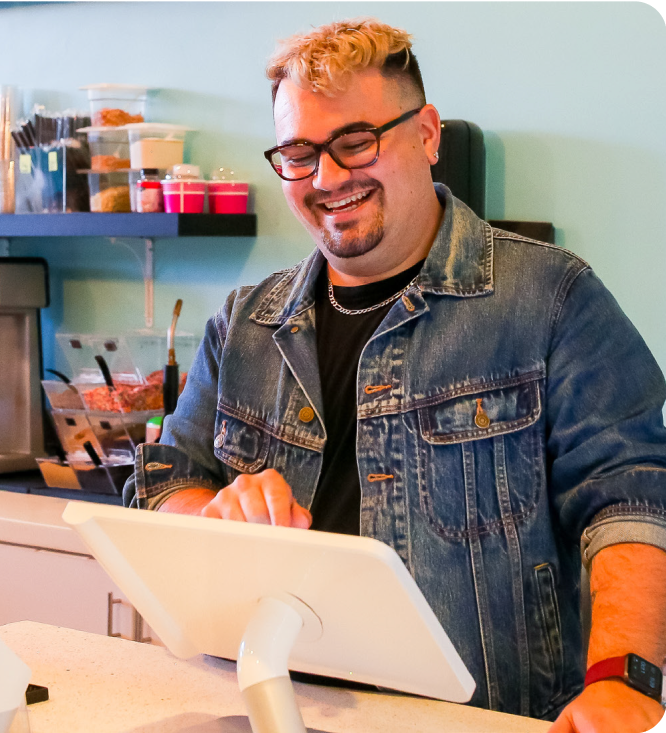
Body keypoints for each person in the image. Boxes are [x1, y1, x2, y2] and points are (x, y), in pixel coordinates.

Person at [123, 18, 666, 732]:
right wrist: (215, 516)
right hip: (270, 707)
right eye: (298, 153)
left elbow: (631, 498)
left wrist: (624, 681)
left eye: (355, 142)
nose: (327, 177)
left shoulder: (551, 300)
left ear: (427, 133)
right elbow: (162, 485)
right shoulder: (244, 324)